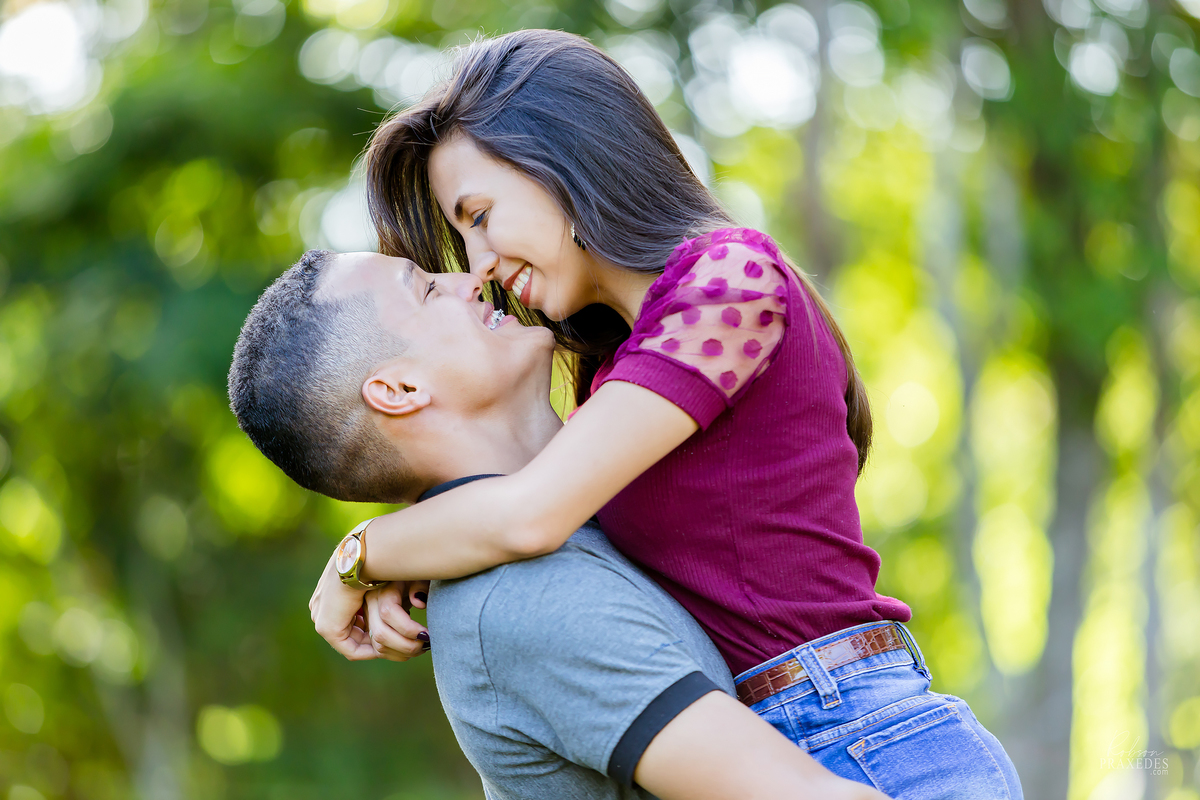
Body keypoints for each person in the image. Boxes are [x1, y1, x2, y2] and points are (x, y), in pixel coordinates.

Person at [315, 29, 1024, 800]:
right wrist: (416, 564)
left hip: (858, 732)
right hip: (782, 733)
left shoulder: (729, 279)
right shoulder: (614, 370)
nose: (479, 264)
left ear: (565, 160)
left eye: (480, 215)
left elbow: (531, 515)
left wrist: (365, 553)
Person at [227, 249, 889, 800]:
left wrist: (375, 552)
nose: (470, 278)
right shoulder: (525, 601)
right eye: (426, 289)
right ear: (399, 391)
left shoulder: (595, 513)